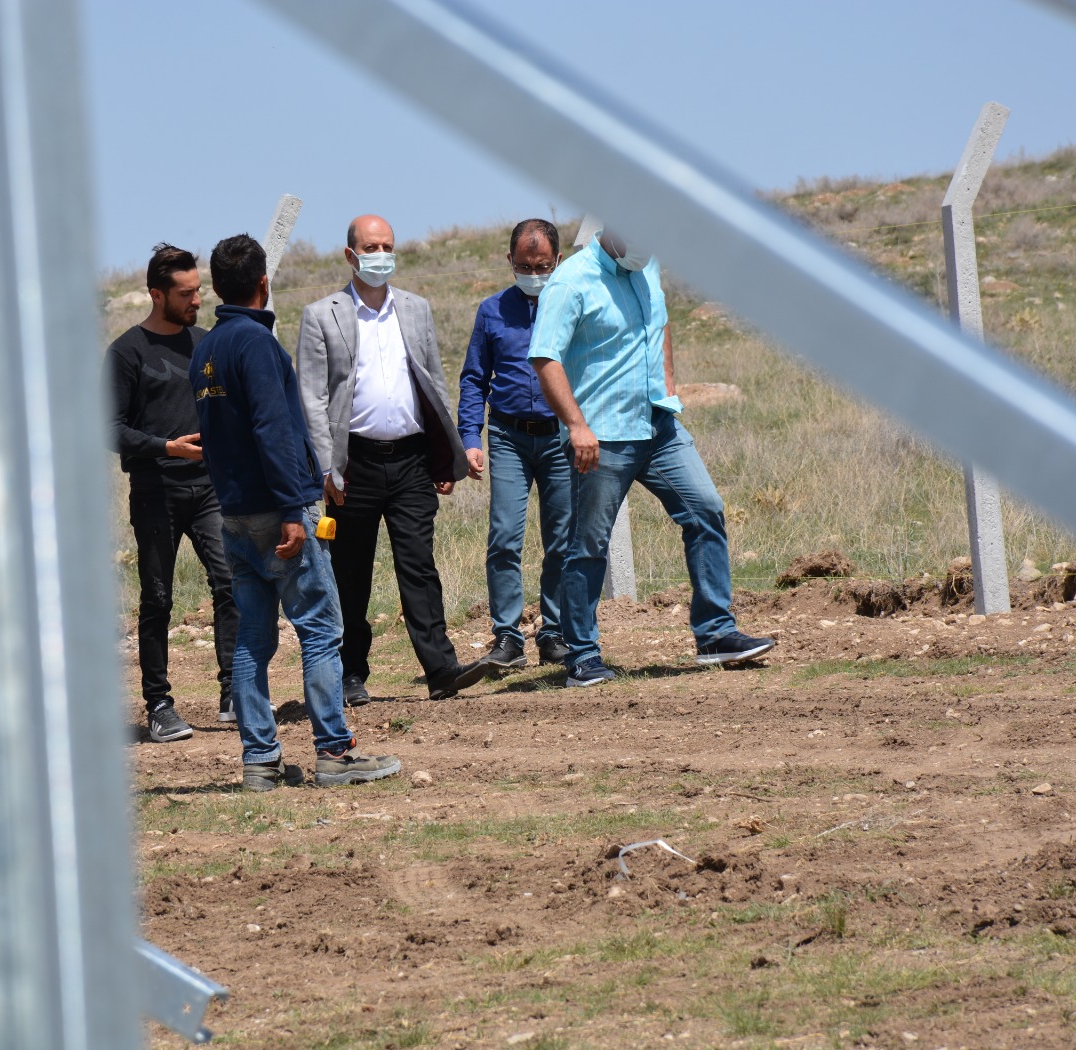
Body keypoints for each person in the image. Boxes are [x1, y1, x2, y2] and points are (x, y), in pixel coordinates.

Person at [190, 233, 401, 790]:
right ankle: (334, 751)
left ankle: (259, 760)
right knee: (320, 629)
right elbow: (273, 431)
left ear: (216, 287)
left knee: (252, 643)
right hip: (278, 510)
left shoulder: (206, 349)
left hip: (232, 514)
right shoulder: (256, 345)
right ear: (264, 282)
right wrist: (291, 509)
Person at [529, 226, 776, 686]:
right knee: (588, 545)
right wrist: (577, 426)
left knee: (706, 510)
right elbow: (546, 358)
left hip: (659, 426)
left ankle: (715, 634)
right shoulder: (571, 281)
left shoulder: (646, 263)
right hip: (601, 436)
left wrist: (668, 388)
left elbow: (658, 324)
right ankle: (581, 656)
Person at [295, 214, 490, 705]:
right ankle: (349, 674)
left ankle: (441, 670)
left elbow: (434, 383)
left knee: (418, 564)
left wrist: (442, 456)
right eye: (371, 246)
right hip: (353, 464)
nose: (381, 254)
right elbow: (312, 398)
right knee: (351, 571)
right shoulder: (323, 314)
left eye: (388, 245)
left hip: (410, 460)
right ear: (350, 255)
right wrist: (326, 468)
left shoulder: (416, 309)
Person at [104, 243, 238, 741]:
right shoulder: (126, 353)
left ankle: (233, 691)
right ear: (156, 295)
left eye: (199, 290)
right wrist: (166, 447)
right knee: (157, 599)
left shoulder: (206, 343)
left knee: (230, 583)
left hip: (211, 491)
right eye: (186, 293)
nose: (197, 300)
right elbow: (109, 429)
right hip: (155, 490)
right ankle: (159, 706)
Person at [457, 219, 571, 670]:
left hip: (561, 435)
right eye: (524, 265)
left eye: (542, 265)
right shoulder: (491, 311)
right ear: (510, 262)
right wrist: (470, 438)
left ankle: (555, 632)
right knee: (504, 537)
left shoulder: (570, 306)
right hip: (507, 437)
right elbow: (473, 378)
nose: (534, 273)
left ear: (557, 262)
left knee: (562, 539)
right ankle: (507, 637)